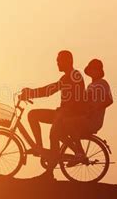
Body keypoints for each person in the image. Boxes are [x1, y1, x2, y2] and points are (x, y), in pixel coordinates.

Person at [20, 50, 85, 180]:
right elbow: (50, 90)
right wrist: (31, 93)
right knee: (33, 115)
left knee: (53, 134)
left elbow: (75, 98)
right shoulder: (66, 77)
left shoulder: (74, 75)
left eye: (59, 60)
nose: (57, 63)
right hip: (62, 112)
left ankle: (50, 172)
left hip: (69, 114)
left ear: (68, 61)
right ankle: (39, 148)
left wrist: (31, 93)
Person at [64, 59, 113, 163]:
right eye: (91, 69)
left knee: (67, 123)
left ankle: (79, 153)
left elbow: (109, 100)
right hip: (86, 118)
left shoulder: (102, 83)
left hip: (92, 120)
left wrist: (96, 108)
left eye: (94, 69)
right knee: (64, 125)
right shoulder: (91, 85)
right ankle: (77, 152)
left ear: (99, 71)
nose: (92, 71)